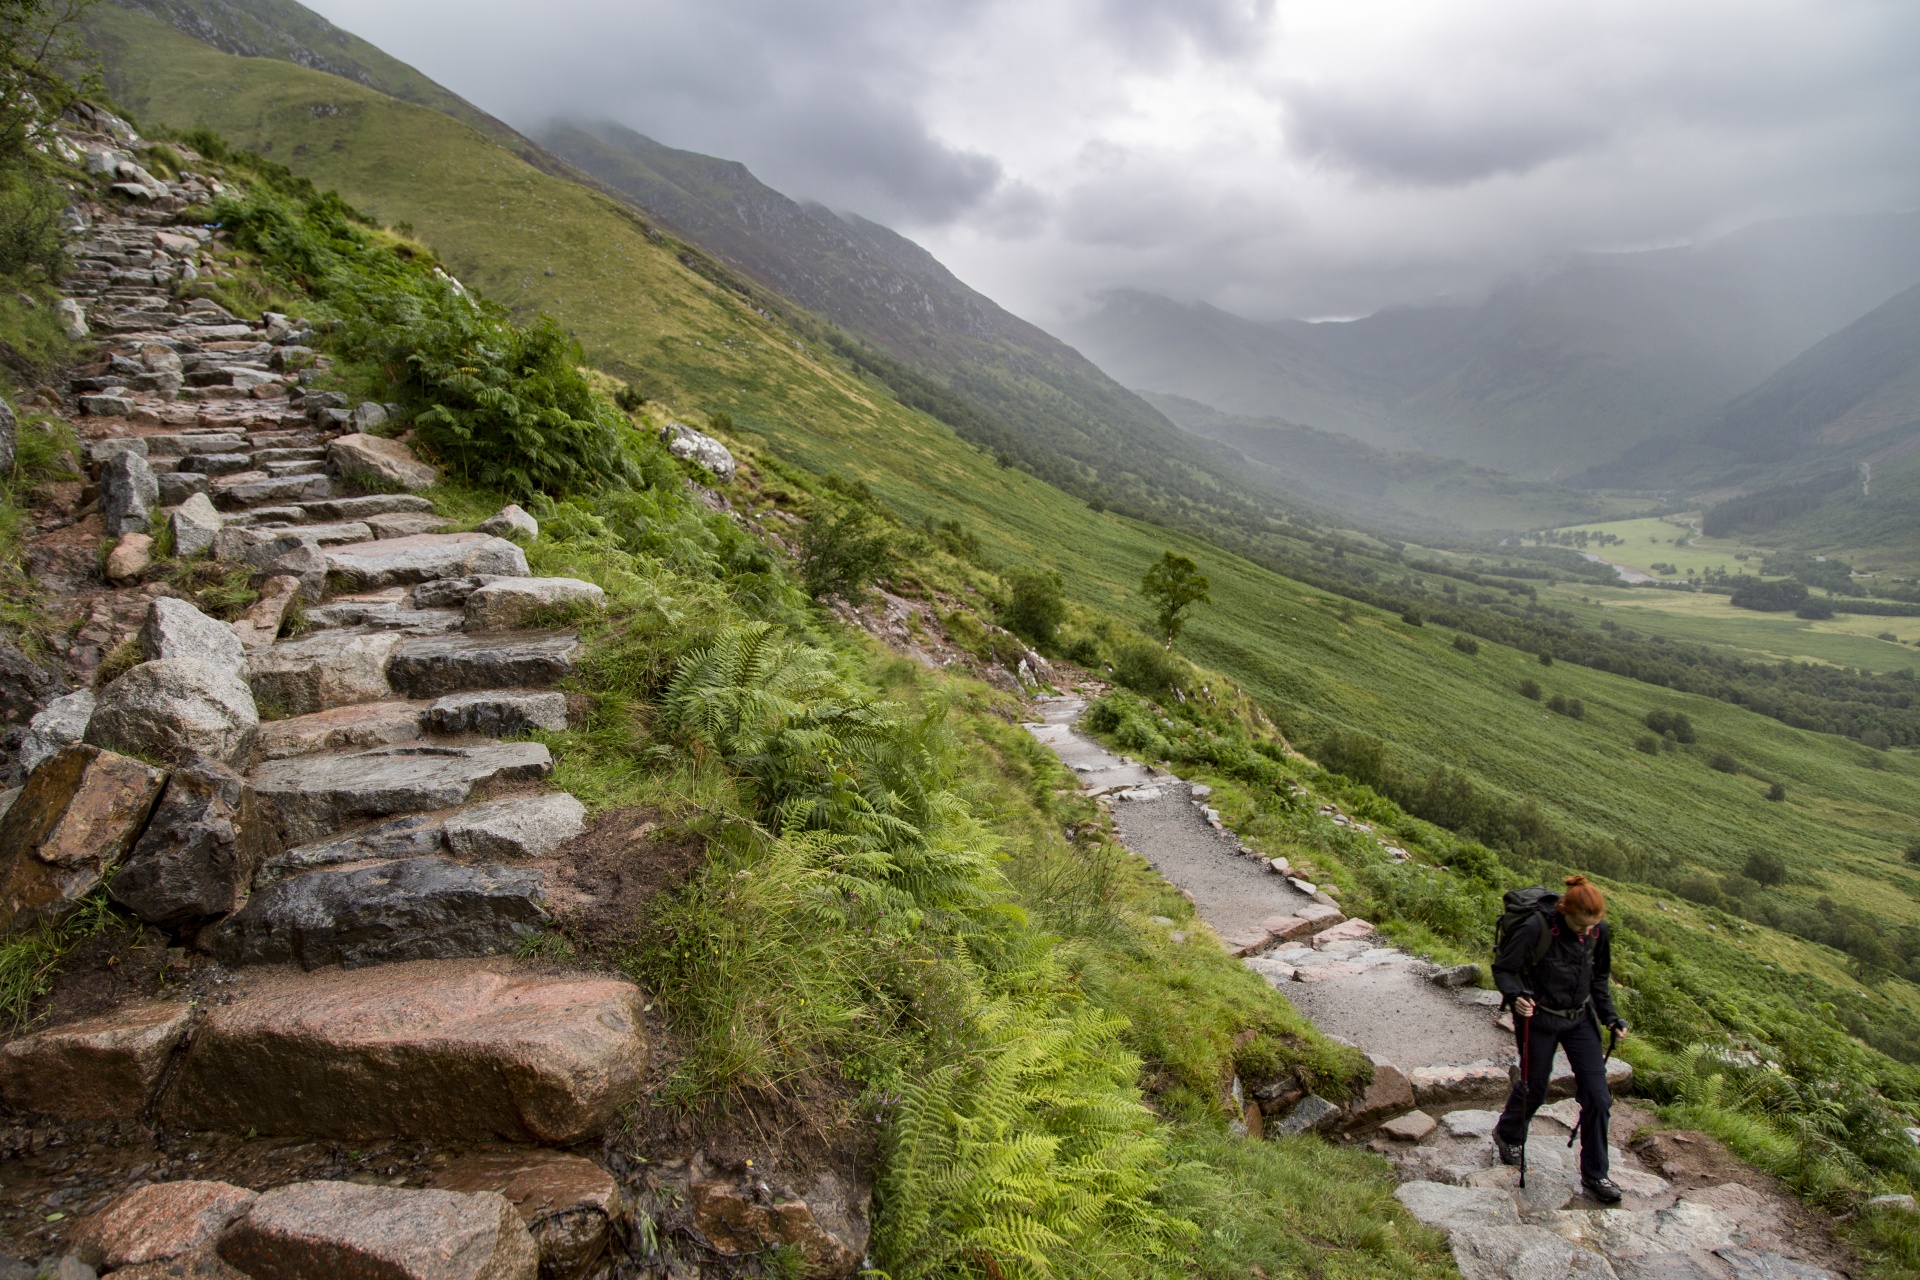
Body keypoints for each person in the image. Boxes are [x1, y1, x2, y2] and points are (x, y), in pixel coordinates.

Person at [1490, 874, 1629, 1203]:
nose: (1586, 932)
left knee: (1598, 1097)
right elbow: (1504, 968)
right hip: (1537, 1017)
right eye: (1580, 926)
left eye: (1592, 927)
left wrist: (1610, 1016)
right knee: (1535, 1088)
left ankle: (1596, 1174)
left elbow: (1599, 978)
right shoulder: (1535, 928)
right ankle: (1508, 1133)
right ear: (1565, 911)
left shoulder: (1597, 932)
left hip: (1579, 1019)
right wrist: (1515, 995)